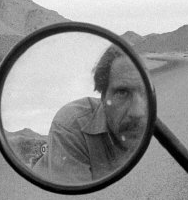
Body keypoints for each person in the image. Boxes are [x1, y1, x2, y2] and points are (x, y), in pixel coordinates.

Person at [33, 46, 149, 184]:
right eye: (122, 93)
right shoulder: (70, 125)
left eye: (145, 92)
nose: (137, 112)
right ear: (103, 97)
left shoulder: (153, 121)